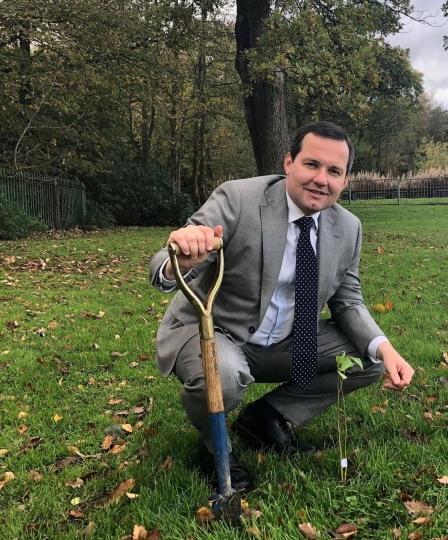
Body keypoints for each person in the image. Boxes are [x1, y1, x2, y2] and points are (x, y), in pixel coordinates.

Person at [148, 121, 414, 492]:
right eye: (311, 164)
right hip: (215, 333)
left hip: (285, 343)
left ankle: (265, 419)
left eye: (334, 171)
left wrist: (386, 349)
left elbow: (348, 302)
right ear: (288, 162)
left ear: (345, 181)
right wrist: (185, 254)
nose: (321, 179)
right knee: (224, 374)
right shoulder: (239, 199)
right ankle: (214, 447)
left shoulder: (348, 227)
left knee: (369, 359)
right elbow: (164, 262)